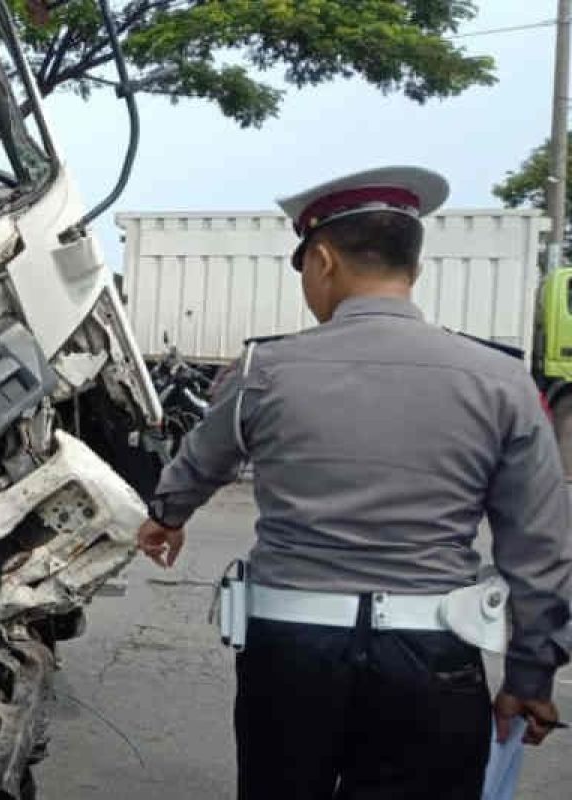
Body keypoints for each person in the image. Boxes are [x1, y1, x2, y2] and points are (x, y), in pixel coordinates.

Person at [136, 166, 572, 799]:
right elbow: (540, 543)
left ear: (322, 259)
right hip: (435, 661)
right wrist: (530, 675)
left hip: (289, 658)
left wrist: (166, 516)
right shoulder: (500, 379)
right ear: (413, 270)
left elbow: (201, 461)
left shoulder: (266, 369)